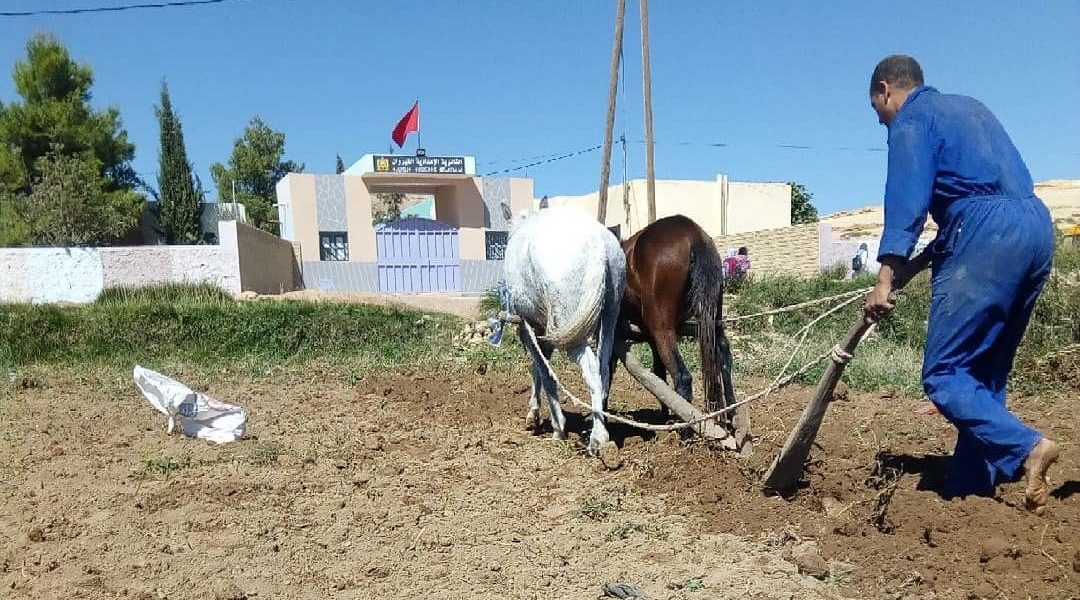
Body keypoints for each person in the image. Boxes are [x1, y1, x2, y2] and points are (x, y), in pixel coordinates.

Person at [863, 55, 1060, 513]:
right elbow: (979, 203)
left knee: (945, 375)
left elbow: (907, 205)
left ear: (886, 89)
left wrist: (884, 279)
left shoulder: (913, 121)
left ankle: (1029, 446)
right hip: (1033, 227)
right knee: (984, 376)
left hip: (985, 233)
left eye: (877, 108)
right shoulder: (971, 109)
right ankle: (970, 492)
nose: (880, 119)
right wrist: (913, 269)